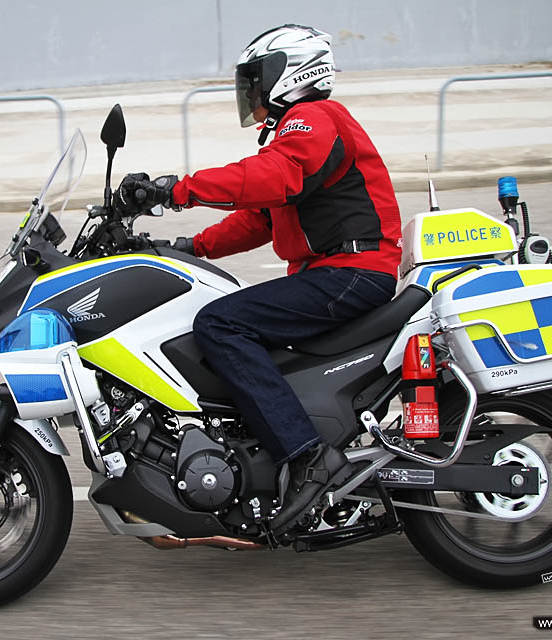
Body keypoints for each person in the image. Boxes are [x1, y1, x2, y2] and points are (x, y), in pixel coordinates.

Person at [114, 24, 403, 532]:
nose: (249, 92)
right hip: (337, 271)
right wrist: (188, 248)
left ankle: (306, 456)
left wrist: (175, 190)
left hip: (352, 271)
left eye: (255, 79)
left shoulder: (314, 119)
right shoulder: (299, 133)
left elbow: (272, 177)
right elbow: (260, 218)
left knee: (221, 324)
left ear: (289, 72)